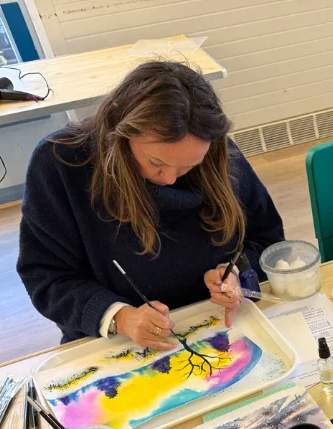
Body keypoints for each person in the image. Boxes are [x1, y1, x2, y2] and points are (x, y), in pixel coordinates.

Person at [17, 61, 284, 347]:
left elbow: (268, 241)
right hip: (117, 343)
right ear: (121, 129)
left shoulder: (220, 154)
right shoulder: (61, 162)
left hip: (219, 324)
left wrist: (236, 275)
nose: (169, 179)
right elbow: (46, 277)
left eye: (189, 167)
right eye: (156, 163)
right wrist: (119, 316)